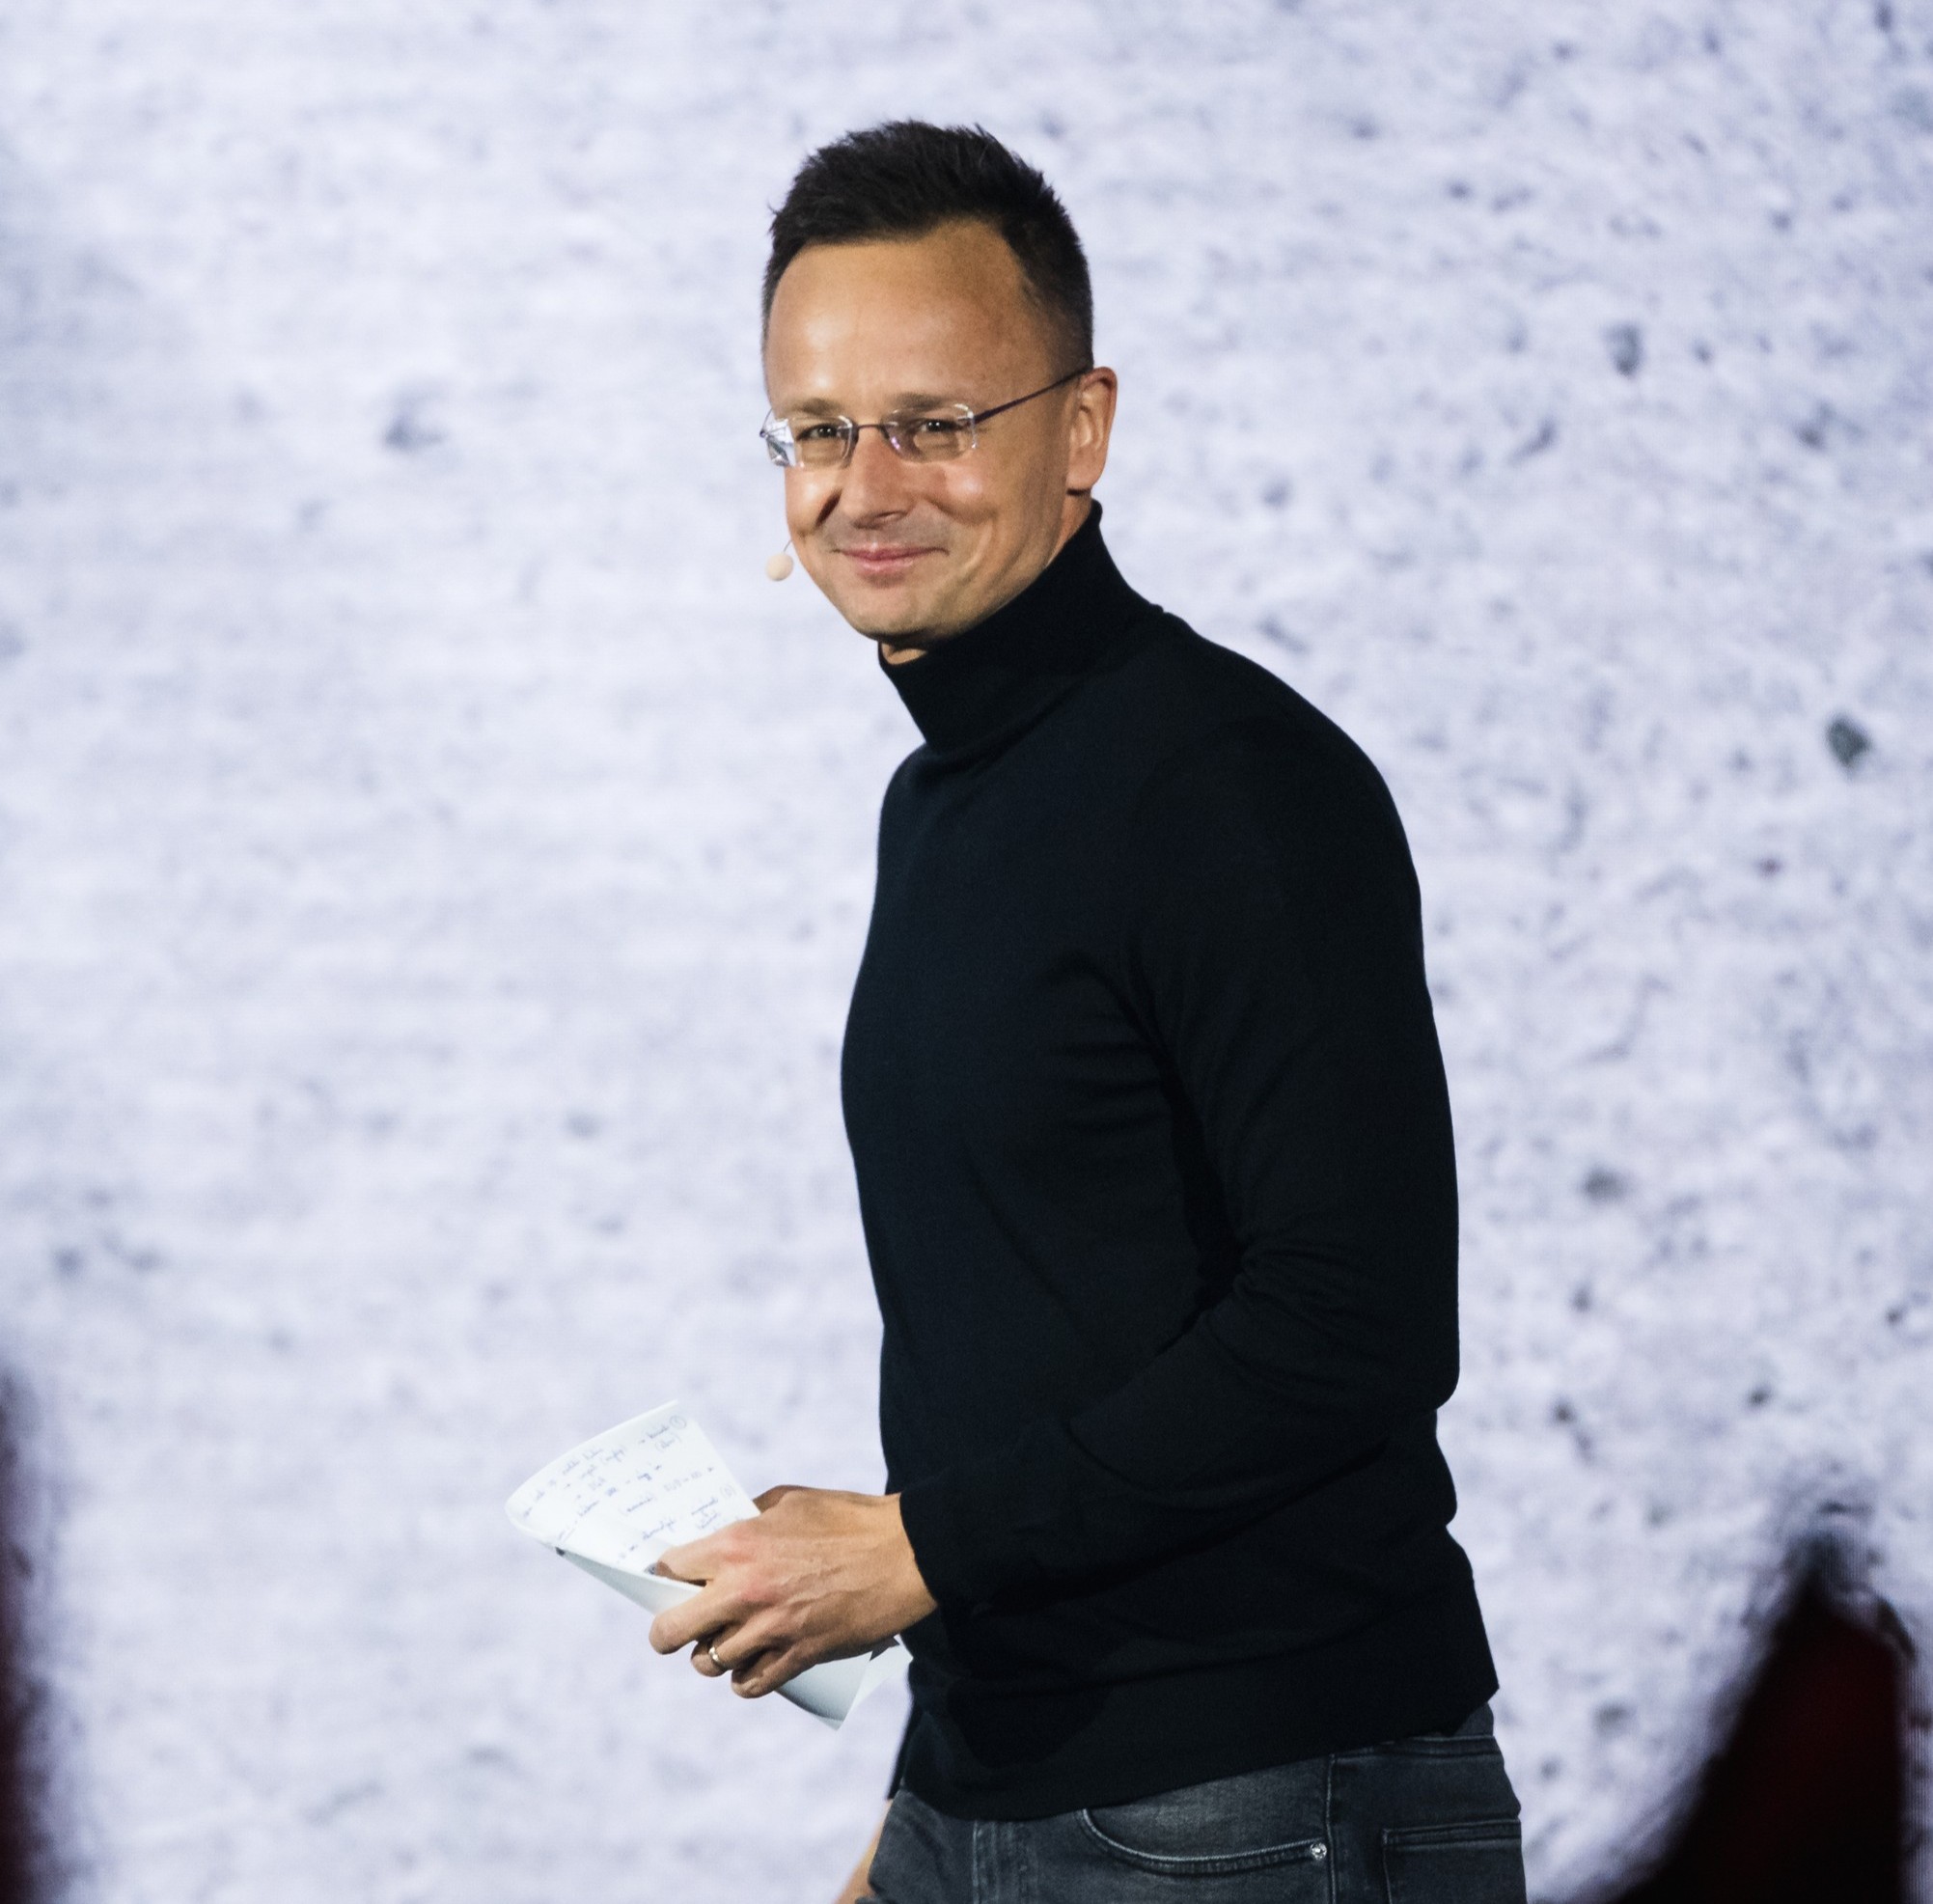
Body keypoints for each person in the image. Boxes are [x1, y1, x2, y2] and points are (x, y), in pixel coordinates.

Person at [642, 123, 1525, 1902]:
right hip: (1016, 1785)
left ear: (1083, 429)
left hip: (1250, 1800)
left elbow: (1352, 1321)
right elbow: (1047, 1346)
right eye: (818, 430)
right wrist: (936, 1808)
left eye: (934, 422)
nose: (865, 485)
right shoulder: (947, 800)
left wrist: (917, 1551)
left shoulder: (1234, 783)